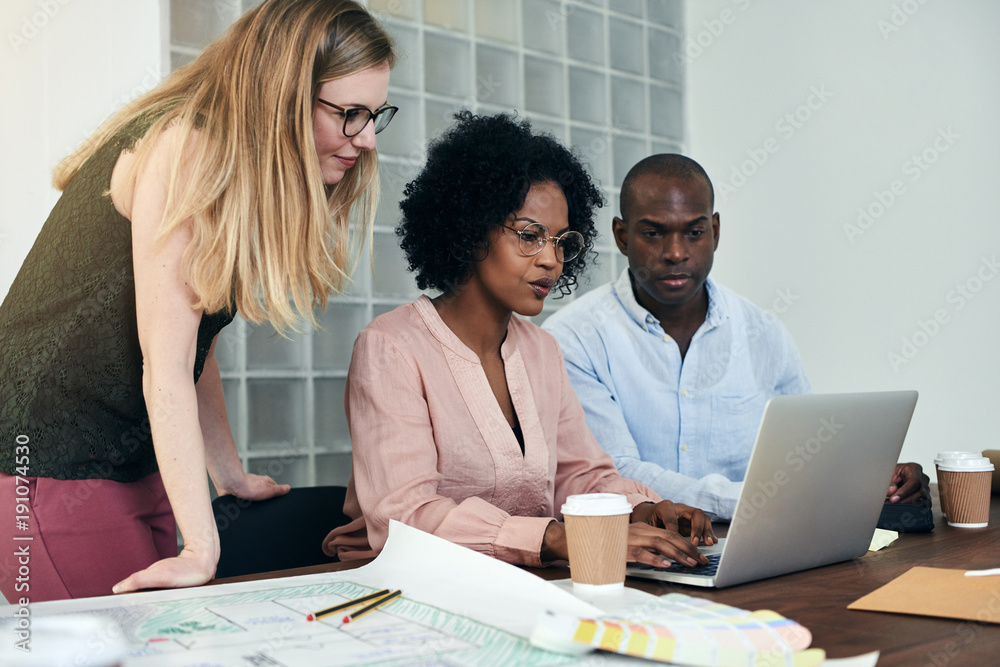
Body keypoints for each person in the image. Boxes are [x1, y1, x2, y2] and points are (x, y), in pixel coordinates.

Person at [0, 0, 396, 602]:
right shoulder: (188, 149)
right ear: (282, 94)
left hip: (129, 454)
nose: (366, 139)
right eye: (349, 114)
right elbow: (166, 362)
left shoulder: (234, 168)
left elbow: (190, 340)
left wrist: (227, 471)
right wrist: (201, 547)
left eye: (374, 115)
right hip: (45, 457)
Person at [324, 113, 715, 570]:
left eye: (561, 241)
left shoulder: (541, 350)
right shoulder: (391, 348)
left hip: (521, 584)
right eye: (530, 236)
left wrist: (643, 511)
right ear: (470, 231)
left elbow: (579, 475)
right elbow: (405, 518)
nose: (551, 260)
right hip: (399, 589)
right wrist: (556, 538)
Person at [543, 154, 929, 520]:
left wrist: (875, 479)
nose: (675, 253)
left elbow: (806, 455)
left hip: (759, 545)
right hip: (639, 553)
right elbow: (613, 474)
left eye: (694, 232)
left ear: (714, 231)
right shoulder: (572, 340)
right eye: (653, 233)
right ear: (623, 236)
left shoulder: (763, 332)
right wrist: (747, 500)